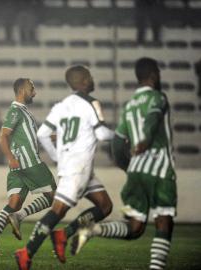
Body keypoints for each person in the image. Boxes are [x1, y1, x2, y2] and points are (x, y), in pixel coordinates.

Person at [71, 57, 177, 270]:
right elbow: (153, 118)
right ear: (154, 75)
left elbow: (117, 146)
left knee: (135, 227)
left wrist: (130, 168)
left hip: (136, 170)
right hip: (159, 168)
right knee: (164, 221)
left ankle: (93, 230)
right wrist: (146, 140)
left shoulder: (129, 107)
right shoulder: (159, 97)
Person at [14, 66, 115, 270]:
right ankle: (27, 252)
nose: (93, 79)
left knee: (105, 206)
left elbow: (42, 134)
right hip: (78, 169)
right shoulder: (91, 103)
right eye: (90, 77)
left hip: (77, 166)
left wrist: (58, 157)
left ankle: (64, 234)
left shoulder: (61, 106)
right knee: (58, 211)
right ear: (84, 81)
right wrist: (122, 136)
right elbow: (103, 134)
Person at [0, 78, 57, 256]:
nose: (35, 92)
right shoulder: (15, 110)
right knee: (52, 196)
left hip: (18, 166)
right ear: (23, 90)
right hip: (29, 162)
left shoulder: (24, 112)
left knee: (14, 203)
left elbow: (32, 138)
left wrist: (54, 137)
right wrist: (10, 157)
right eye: (32, 88)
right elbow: (2, 136)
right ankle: (19, 217)